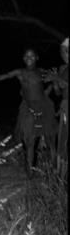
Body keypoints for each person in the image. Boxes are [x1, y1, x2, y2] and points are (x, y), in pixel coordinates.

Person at [0, 48, 57, 176]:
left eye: (32, 56)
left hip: (44, 108)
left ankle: (55, 173)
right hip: (28, 108)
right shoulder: (20, 72)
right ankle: (29, 173)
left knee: (50, 141)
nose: (29, 58)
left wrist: (50, 87)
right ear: (23, 58)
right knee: (29, 141)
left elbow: (54, 82)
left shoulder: (42, 71)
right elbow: (4, 76)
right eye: (26, 56)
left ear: (37, 57)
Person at [42, 37, 68, 180]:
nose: (64, 54)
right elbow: (59, 92)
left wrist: (57, 79)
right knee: (62, 141)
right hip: (65, 105)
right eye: (62, 51)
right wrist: (55, 82)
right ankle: (60, 176)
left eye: (67, 51)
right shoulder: (62, 68)